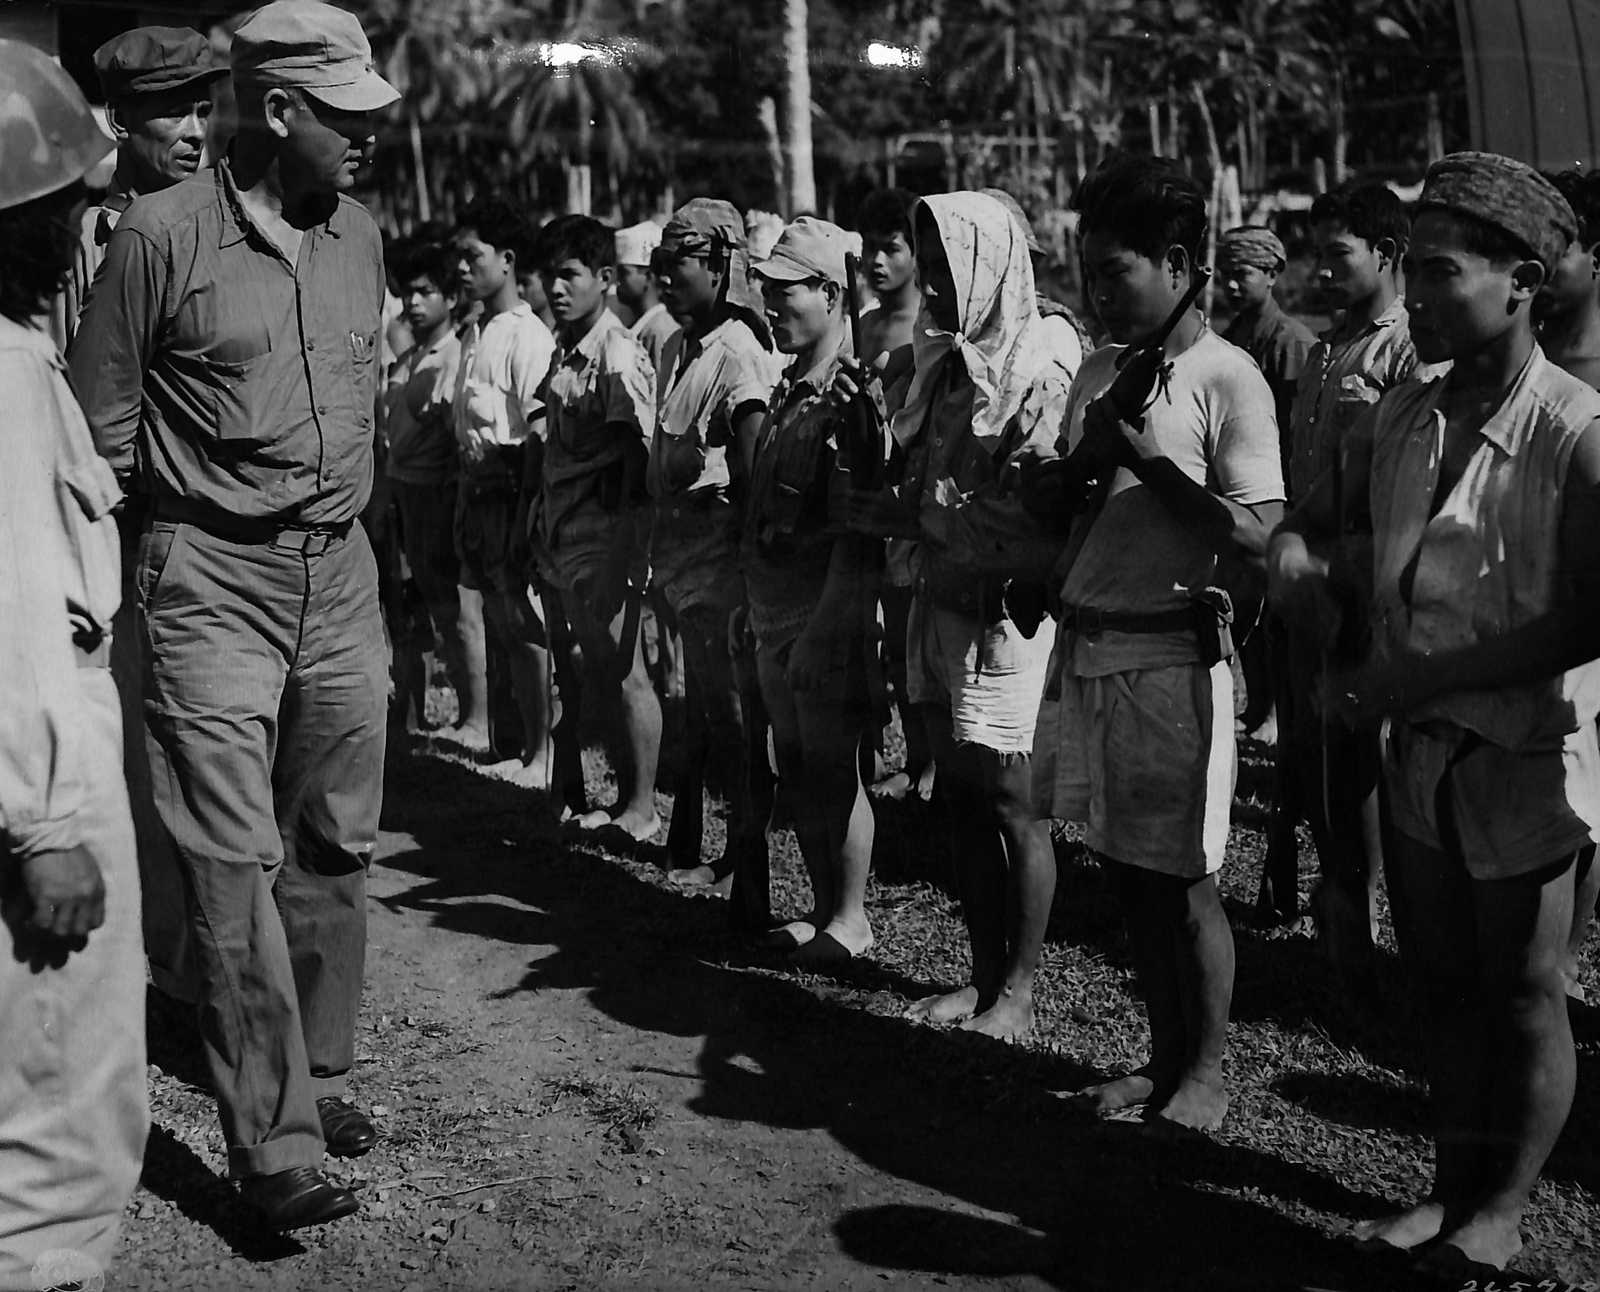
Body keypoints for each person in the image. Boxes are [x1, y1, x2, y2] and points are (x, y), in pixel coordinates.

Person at [70, 0, 400, 1230]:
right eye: (347, 117)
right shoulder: (158, 236)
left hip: (340, 572)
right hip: (207, 573)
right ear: (278, 111)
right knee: (224, 859)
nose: (369, 138)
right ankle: (272, 1147)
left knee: (331, 836)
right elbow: (100, 432)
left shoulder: (361, 233)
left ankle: (314, 1075)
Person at [1271, 152, 1600, 1273]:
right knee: (1444, 987)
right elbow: (1320, 524)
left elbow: (1582, 625)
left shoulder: (1575, 432)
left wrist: (1408, 685)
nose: (1414, 295)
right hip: (1414, 748)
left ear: (1523, 281)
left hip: (1521, 752)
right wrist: (1296, 559)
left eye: (1441, 273)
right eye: (1409, 269)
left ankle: (1503, 1206)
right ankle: (1451, 1187)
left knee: (1521, 989)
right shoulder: (1402, 411)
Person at [1035, 155, 1284, 1127]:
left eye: (1115, 269)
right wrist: (1082, 467)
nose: (1097, 290)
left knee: (1183, 879)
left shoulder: (1229, 378)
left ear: (1180, 263)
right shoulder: (1100, 370)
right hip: (1090, 650)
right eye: (1087, 270)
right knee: (1129, 875)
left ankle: (1205, 1073)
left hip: (1174, 659)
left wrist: (1148, 462)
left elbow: (1260, 533)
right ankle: (1160, 1054)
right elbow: (1063, 503)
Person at [839, 191, 1071, 1039]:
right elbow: (931, 484)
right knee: (963, 802)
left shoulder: (1040, 364)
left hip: (1000, 621)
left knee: (1014, 800)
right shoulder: (942, 360)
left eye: (946, 264)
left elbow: (1033, 511)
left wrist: (926, 514)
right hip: (938, 602)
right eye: (927, 264)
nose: (932, 283)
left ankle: (1020, 988)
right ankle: (981, 977)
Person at [0, 42, 147, 1290]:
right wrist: (45, 820)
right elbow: (13, 617)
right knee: (52, 1123)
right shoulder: (0, 380)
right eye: (62, 209)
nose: (77, 234)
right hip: (33, 784)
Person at [1263, 182, 1426, 960]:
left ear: (1388, 256)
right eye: (1315, 255)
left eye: (1339, 255)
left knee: (1356, 749)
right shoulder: (1326, 348)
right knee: (1311, 742)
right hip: (1307, 574)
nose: (1321, 272)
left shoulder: (1405, 349)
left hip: (1362, 577)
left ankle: (1359, 920)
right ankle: (1332, 901)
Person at [747, 217, 882, 961]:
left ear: (831, 294)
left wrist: (828, 627)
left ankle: (852, 917)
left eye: (785, 291)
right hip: (773, 610)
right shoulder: (791, 387)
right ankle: (825, 906)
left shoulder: (848, 396)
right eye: (764, 291)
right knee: (798, 765)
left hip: (823, 612)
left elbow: (855, 533)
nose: (771, 305)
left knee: (835, 766)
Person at [648, 198, 779, 930]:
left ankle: (751, 879)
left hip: (722, 563)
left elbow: (753, 471)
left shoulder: (738, 351)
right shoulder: (677, 348)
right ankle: (708, 852)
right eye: (661, 267)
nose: (667, 279)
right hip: (680, 562)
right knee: (706, 718)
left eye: (682, 265)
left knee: (736, 725)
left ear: (721, 266)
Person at [530, 214, 662, 842]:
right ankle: (610, 795)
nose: (556, 288)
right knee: (594, 669)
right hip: (565, 534)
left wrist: (623, 555)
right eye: (549, 276)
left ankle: (642, 806)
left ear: (606, 278)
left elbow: (635, 458)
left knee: (625, 667)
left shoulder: (615, 351)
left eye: (569, 275)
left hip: (603, 538)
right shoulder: (567, 348)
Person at [452, 197, 559, 785]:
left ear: (508, 261)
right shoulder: (478, 331)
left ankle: (543, 755)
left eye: (473, 257)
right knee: (502, 621)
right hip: (481, 500)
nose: (463, 270)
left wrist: (518, 502)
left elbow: (537, 432)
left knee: (527, 625)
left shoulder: (525, 337)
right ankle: (515, 744)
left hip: (515, 497)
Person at [49, 25, 226, 351]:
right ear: (119, 121)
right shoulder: (77, 246)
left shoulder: (225, 235)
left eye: (204, 113)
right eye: (176, 114)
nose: (196, 133)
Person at [383, 233, 487, 742]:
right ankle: (415, 712)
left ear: (450, 298)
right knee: (419, 611)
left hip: (436, 494)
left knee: (456, 608)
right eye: (407, 293)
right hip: (403, 491)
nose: (413, 303)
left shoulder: (454, 354)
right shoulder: (412, 355)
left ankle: (477, 717)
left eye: (426, 293)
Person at [1217, 224, 1319, 740]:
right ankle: (1258, 703)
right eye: (1226, 275)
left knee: (1277, 613)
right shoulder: (1232, 337)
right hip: (1241, 492)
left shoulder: (1292, 343)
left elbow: (1300, 429)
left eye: (1243, 274)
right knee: (1245, 610)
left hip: (1282, 494)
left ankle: (1278, 712)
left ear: (1274, 274)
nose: (1232, 285)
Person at [855, 186, 933, 803]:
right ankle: (891, 747)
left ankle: (928, 761)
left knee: (911, 635)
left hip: (908, 497)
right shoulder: (865, 323)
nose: (877, 263)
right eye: (868, 250)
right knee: (875, 639)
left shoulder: (928, 326)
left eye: (891, 249)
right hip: (867, 494)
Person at [615, 219, 678, 370]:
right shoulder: (642, 327)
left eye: (624, 274)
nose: (617, 282)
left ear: (648, 276)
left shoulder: (660, 330)